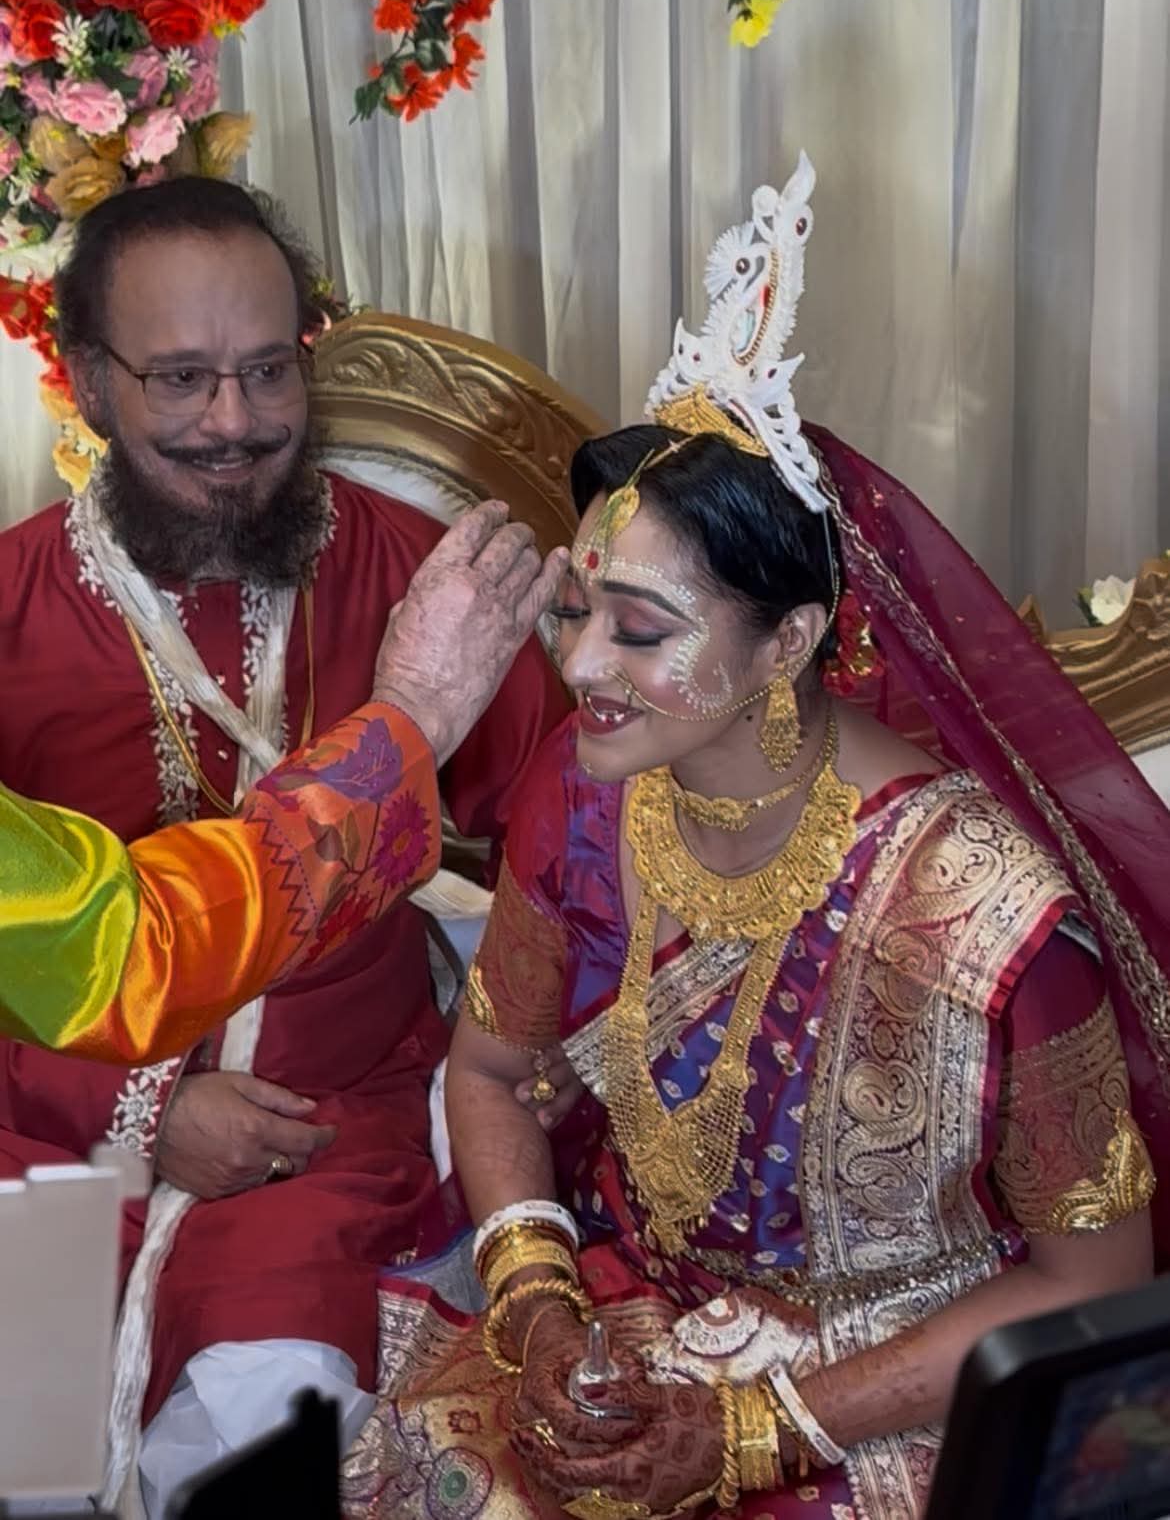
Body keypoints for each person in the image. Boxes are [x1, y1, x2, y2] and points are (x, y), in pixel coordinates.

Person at [340, 156, 1169, 1520]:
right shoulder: (585, 795)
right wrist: (539, 1307)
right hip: (627, 1322)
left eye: (640, 629)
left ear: (788, 641)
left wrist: (758, 1432)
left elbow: (1094, 1283)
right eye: (574, 609)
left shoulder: (986, 918)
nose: (579, 664)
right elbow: (487, 1068)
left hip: (889, 1387)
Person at [0, 177, 566, 1515]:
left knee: (261, 1446)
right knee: (25, 1449)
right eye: (182, 379)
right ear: (91, 379)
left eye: (267, 370)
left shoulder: (415, 575)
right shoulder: (11, 612)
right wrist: (142, 1112)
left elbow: (564, 840)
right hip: (51, 1129)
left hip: (332, 1127)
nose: (234, 423)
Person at [1, 502, 564, 1064]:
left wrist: (511, 1053)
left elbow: (559, 837)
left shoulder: (424, 568)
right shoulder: (15, 589)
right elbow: (122, 967)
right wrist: (415, 713)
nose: (225, 446)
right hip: (65, 1098)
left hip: (366, 1080)